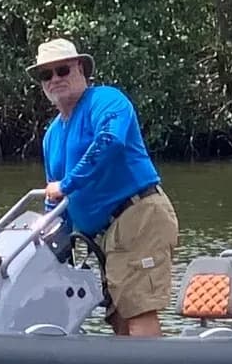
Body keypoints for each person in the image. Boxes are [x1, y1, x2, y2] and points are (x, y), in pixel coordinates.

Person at [28, 37, 179, 337]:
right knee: (117, 315)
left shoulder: (107, 100)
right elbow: (56, 202)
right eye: (46, 75)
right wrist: (46, 249)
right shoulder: (52, 135)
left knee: (138, 308)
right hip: (105, 234)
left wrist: (68, 183)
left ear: (81, 69)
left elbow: (109, 142)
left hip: (138, 214)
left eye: (62, 70)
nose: (55, 79)